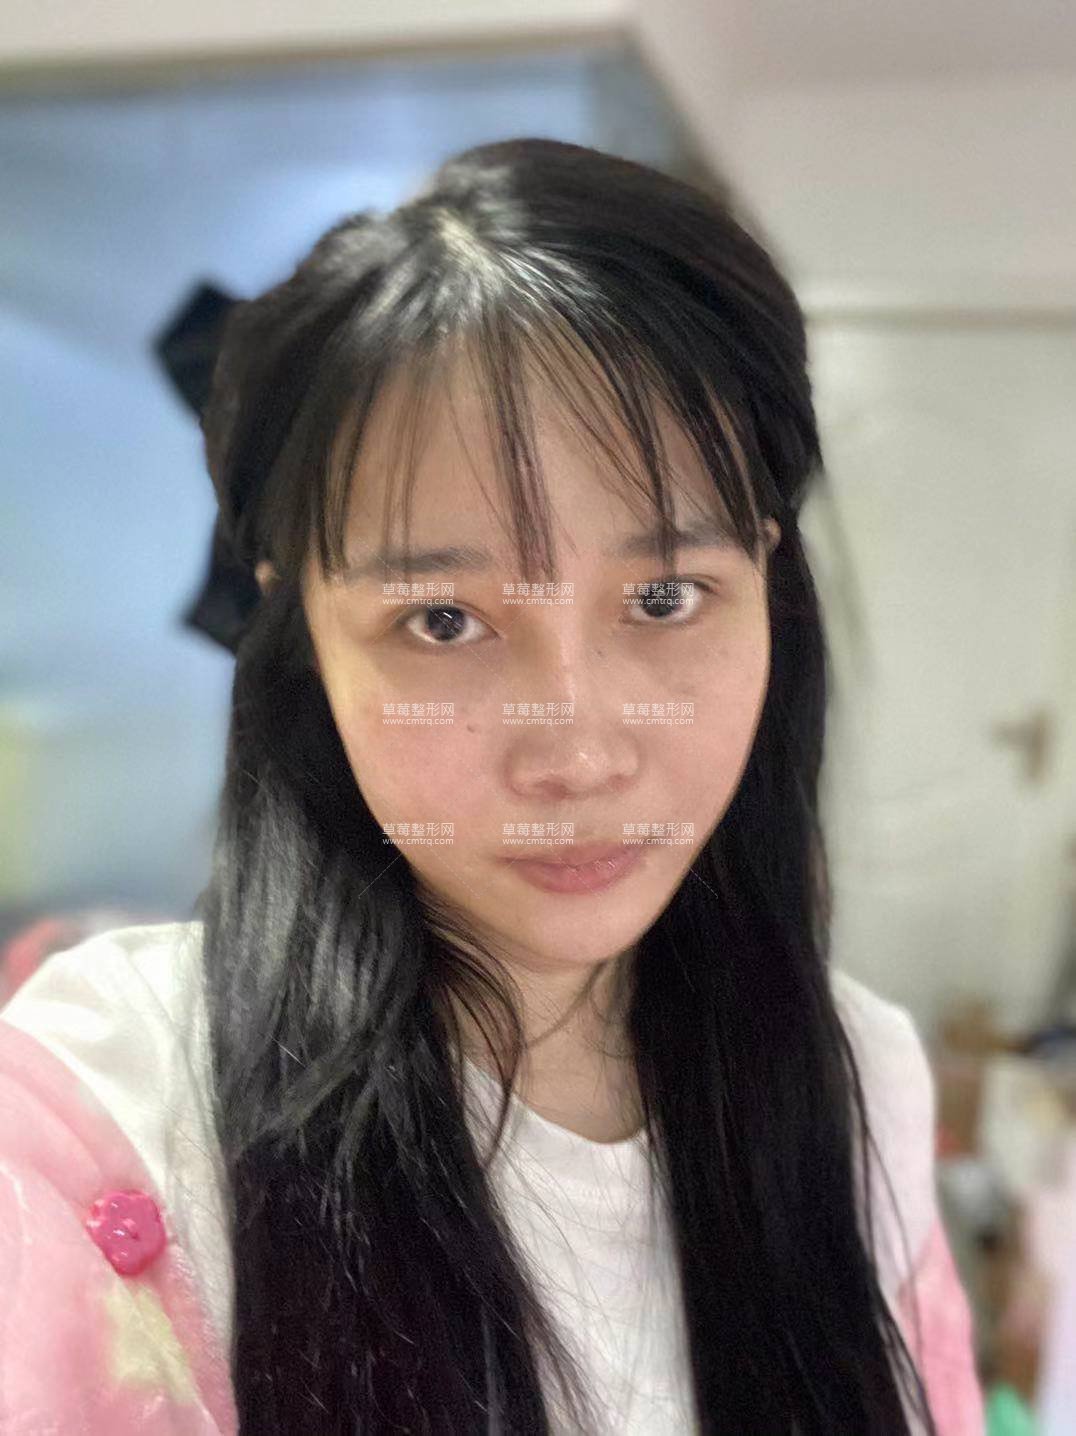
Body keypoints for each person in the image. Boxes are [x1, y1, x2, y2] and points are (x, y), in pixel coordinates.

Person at [0, 137, 985, 1434]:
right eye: (444, 621)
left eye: (664, 597)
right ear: (304, 636)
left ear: (768, 587)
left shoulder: (858, 1080)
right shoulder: (111, 1114)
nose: (577, 754)